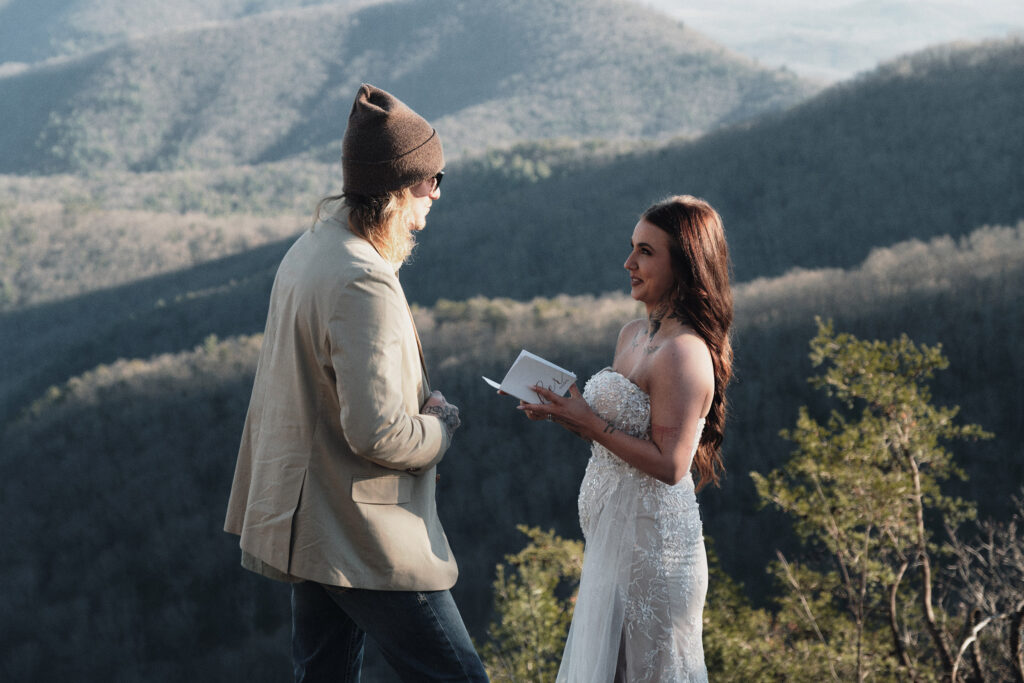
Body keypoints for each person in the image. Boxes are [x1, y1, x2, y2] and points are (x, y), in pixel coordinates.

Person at [224, 83, 488, 682]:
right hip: (359, 530)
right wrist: (440, 427)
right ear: (398, 189)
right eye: (431, 181)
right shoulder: (362, 279)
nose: (436, 196)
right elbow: (376, 433)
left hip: (309, 516)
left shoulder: (312, 247)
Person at [521, 195, 733, 682]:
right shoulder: (632, 334)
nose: (629, 263)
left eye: (645, 251)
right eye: (631, 247)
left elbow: (670, 464)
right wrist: (562, 412)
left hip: (654, 552)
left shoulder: (684, 353)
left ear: (684, 264)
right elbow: (616, 440)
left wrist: (591, 423)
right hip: (611, 546)